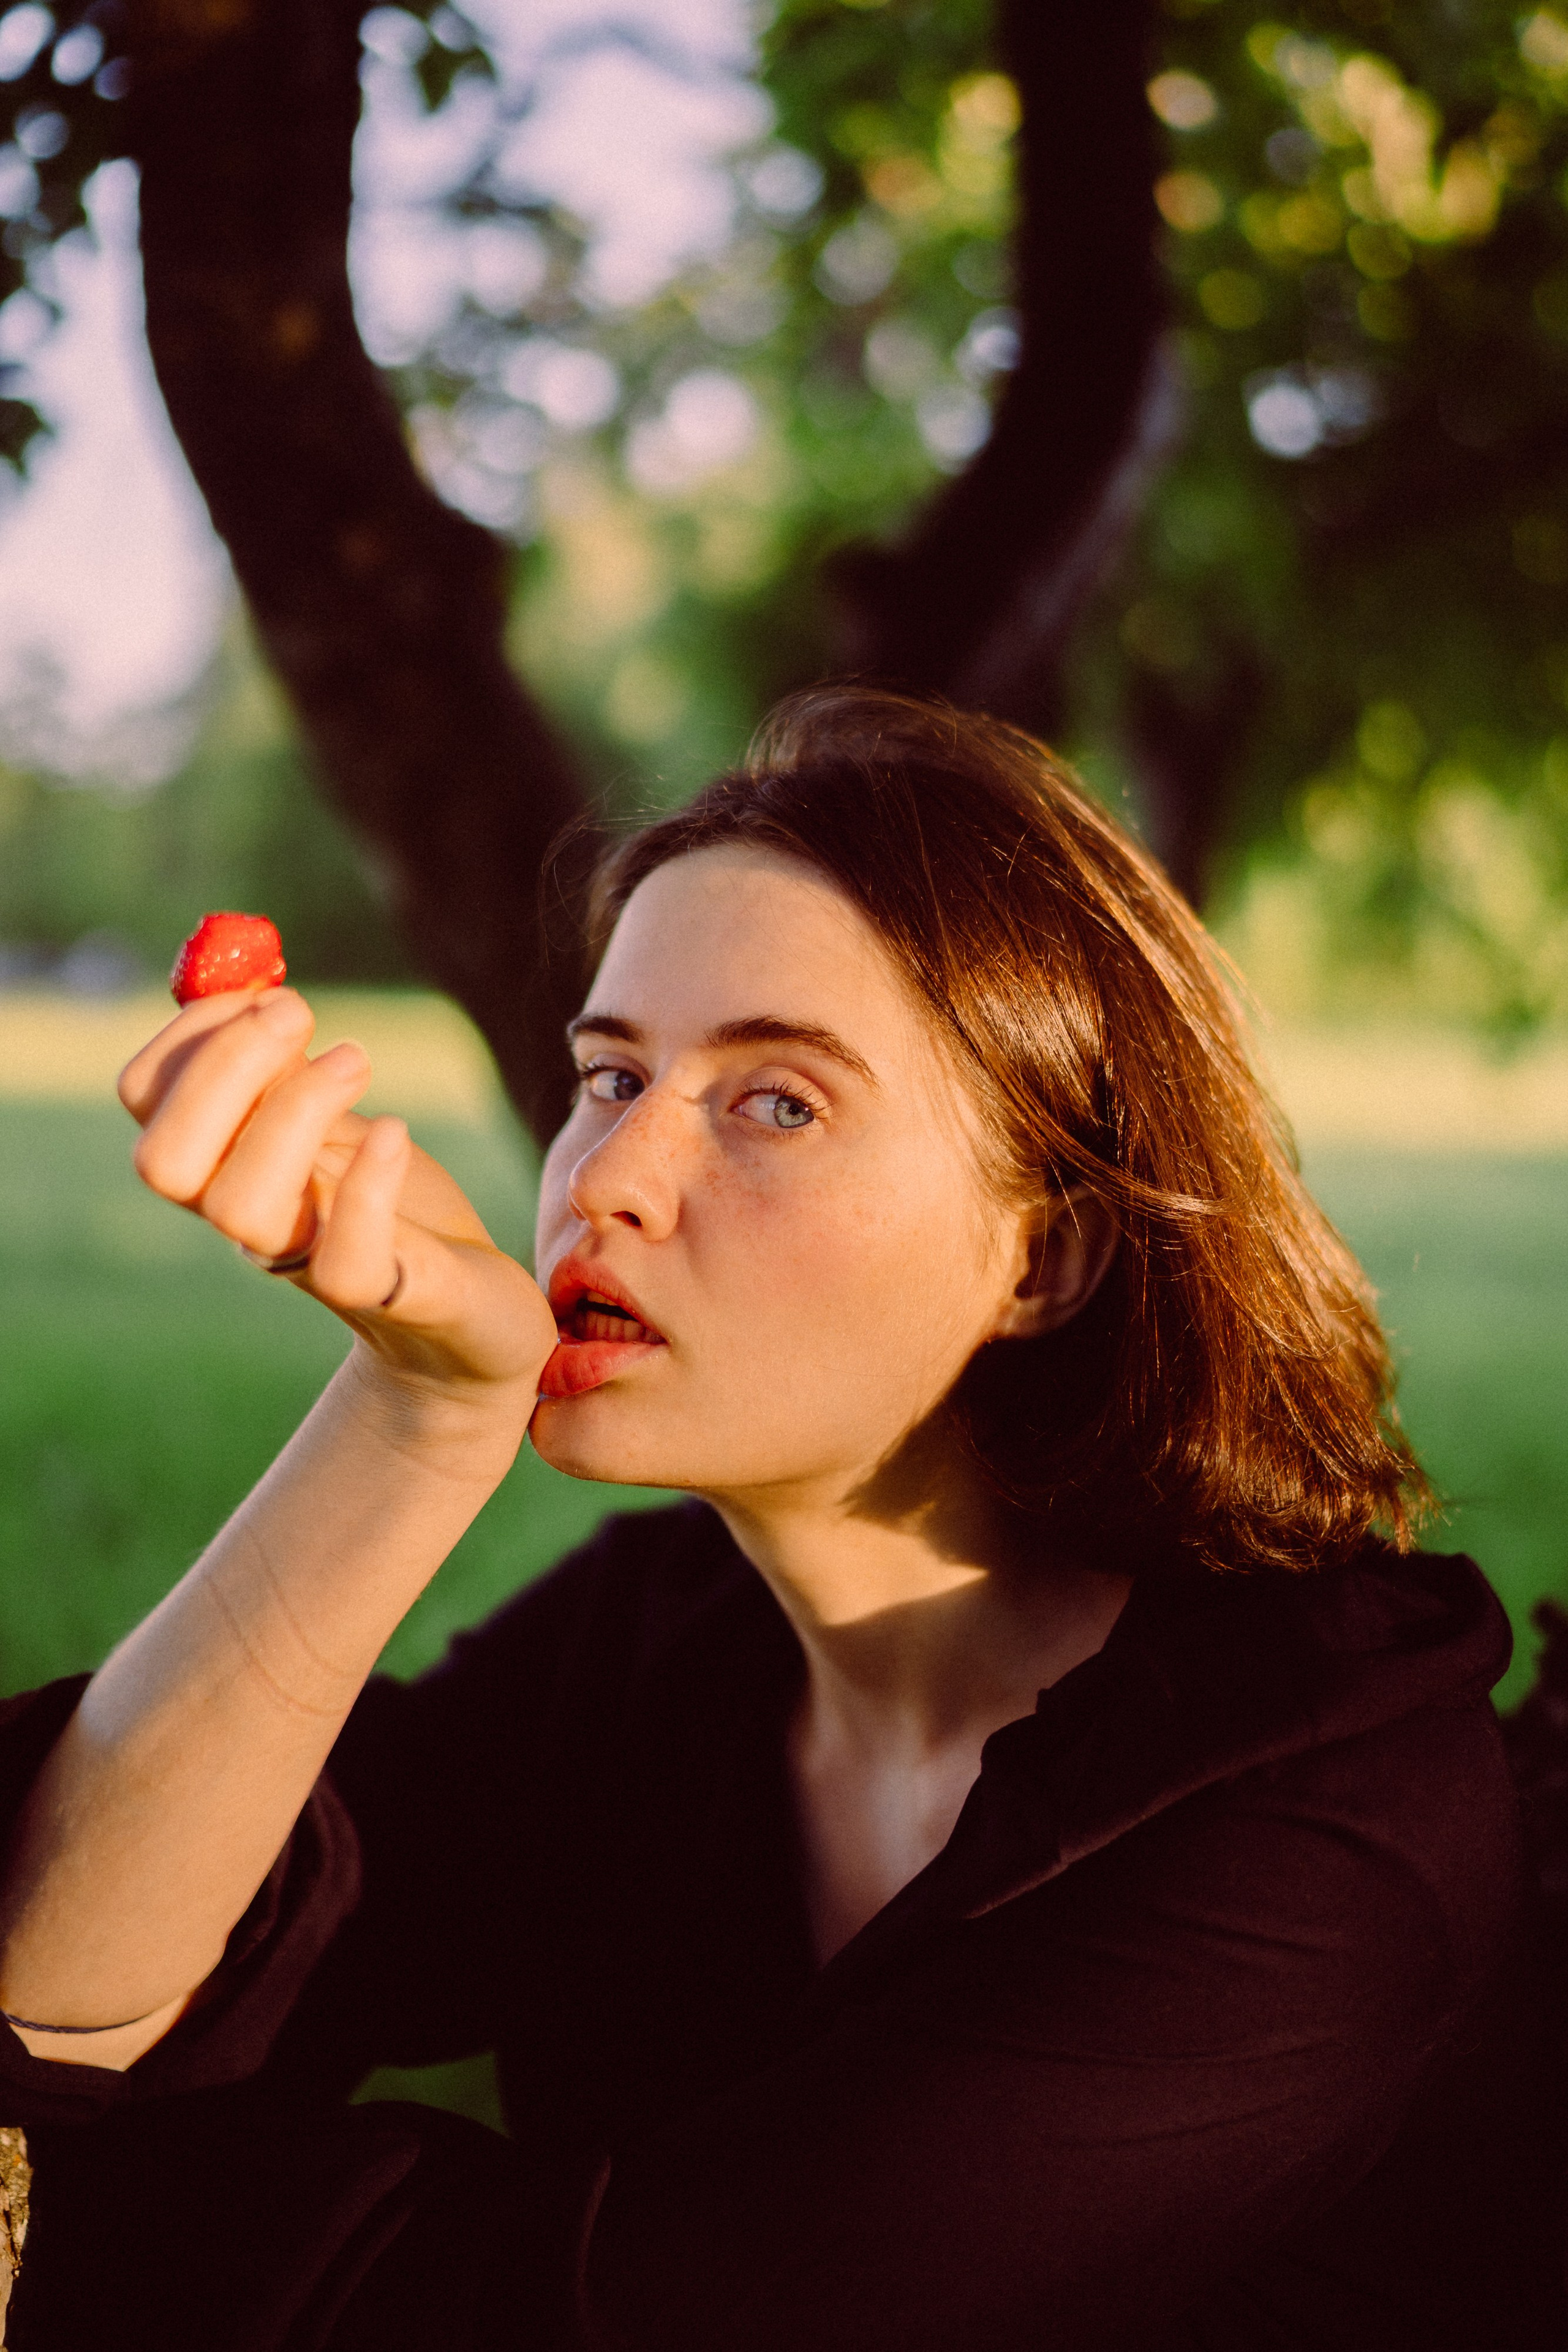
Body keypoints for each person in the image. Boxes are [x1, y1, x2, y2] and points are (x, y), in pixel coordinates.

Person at [0, 687, 1559, 2350]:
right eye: (612, 1075)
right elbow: (68, 1985)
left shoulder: (1316, 1829)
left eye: (777, 1104)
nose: (604, 1177)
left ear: (1044, 1258)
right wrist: (414, 1415)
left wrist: (39, 2217)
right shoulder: (670, 1634)